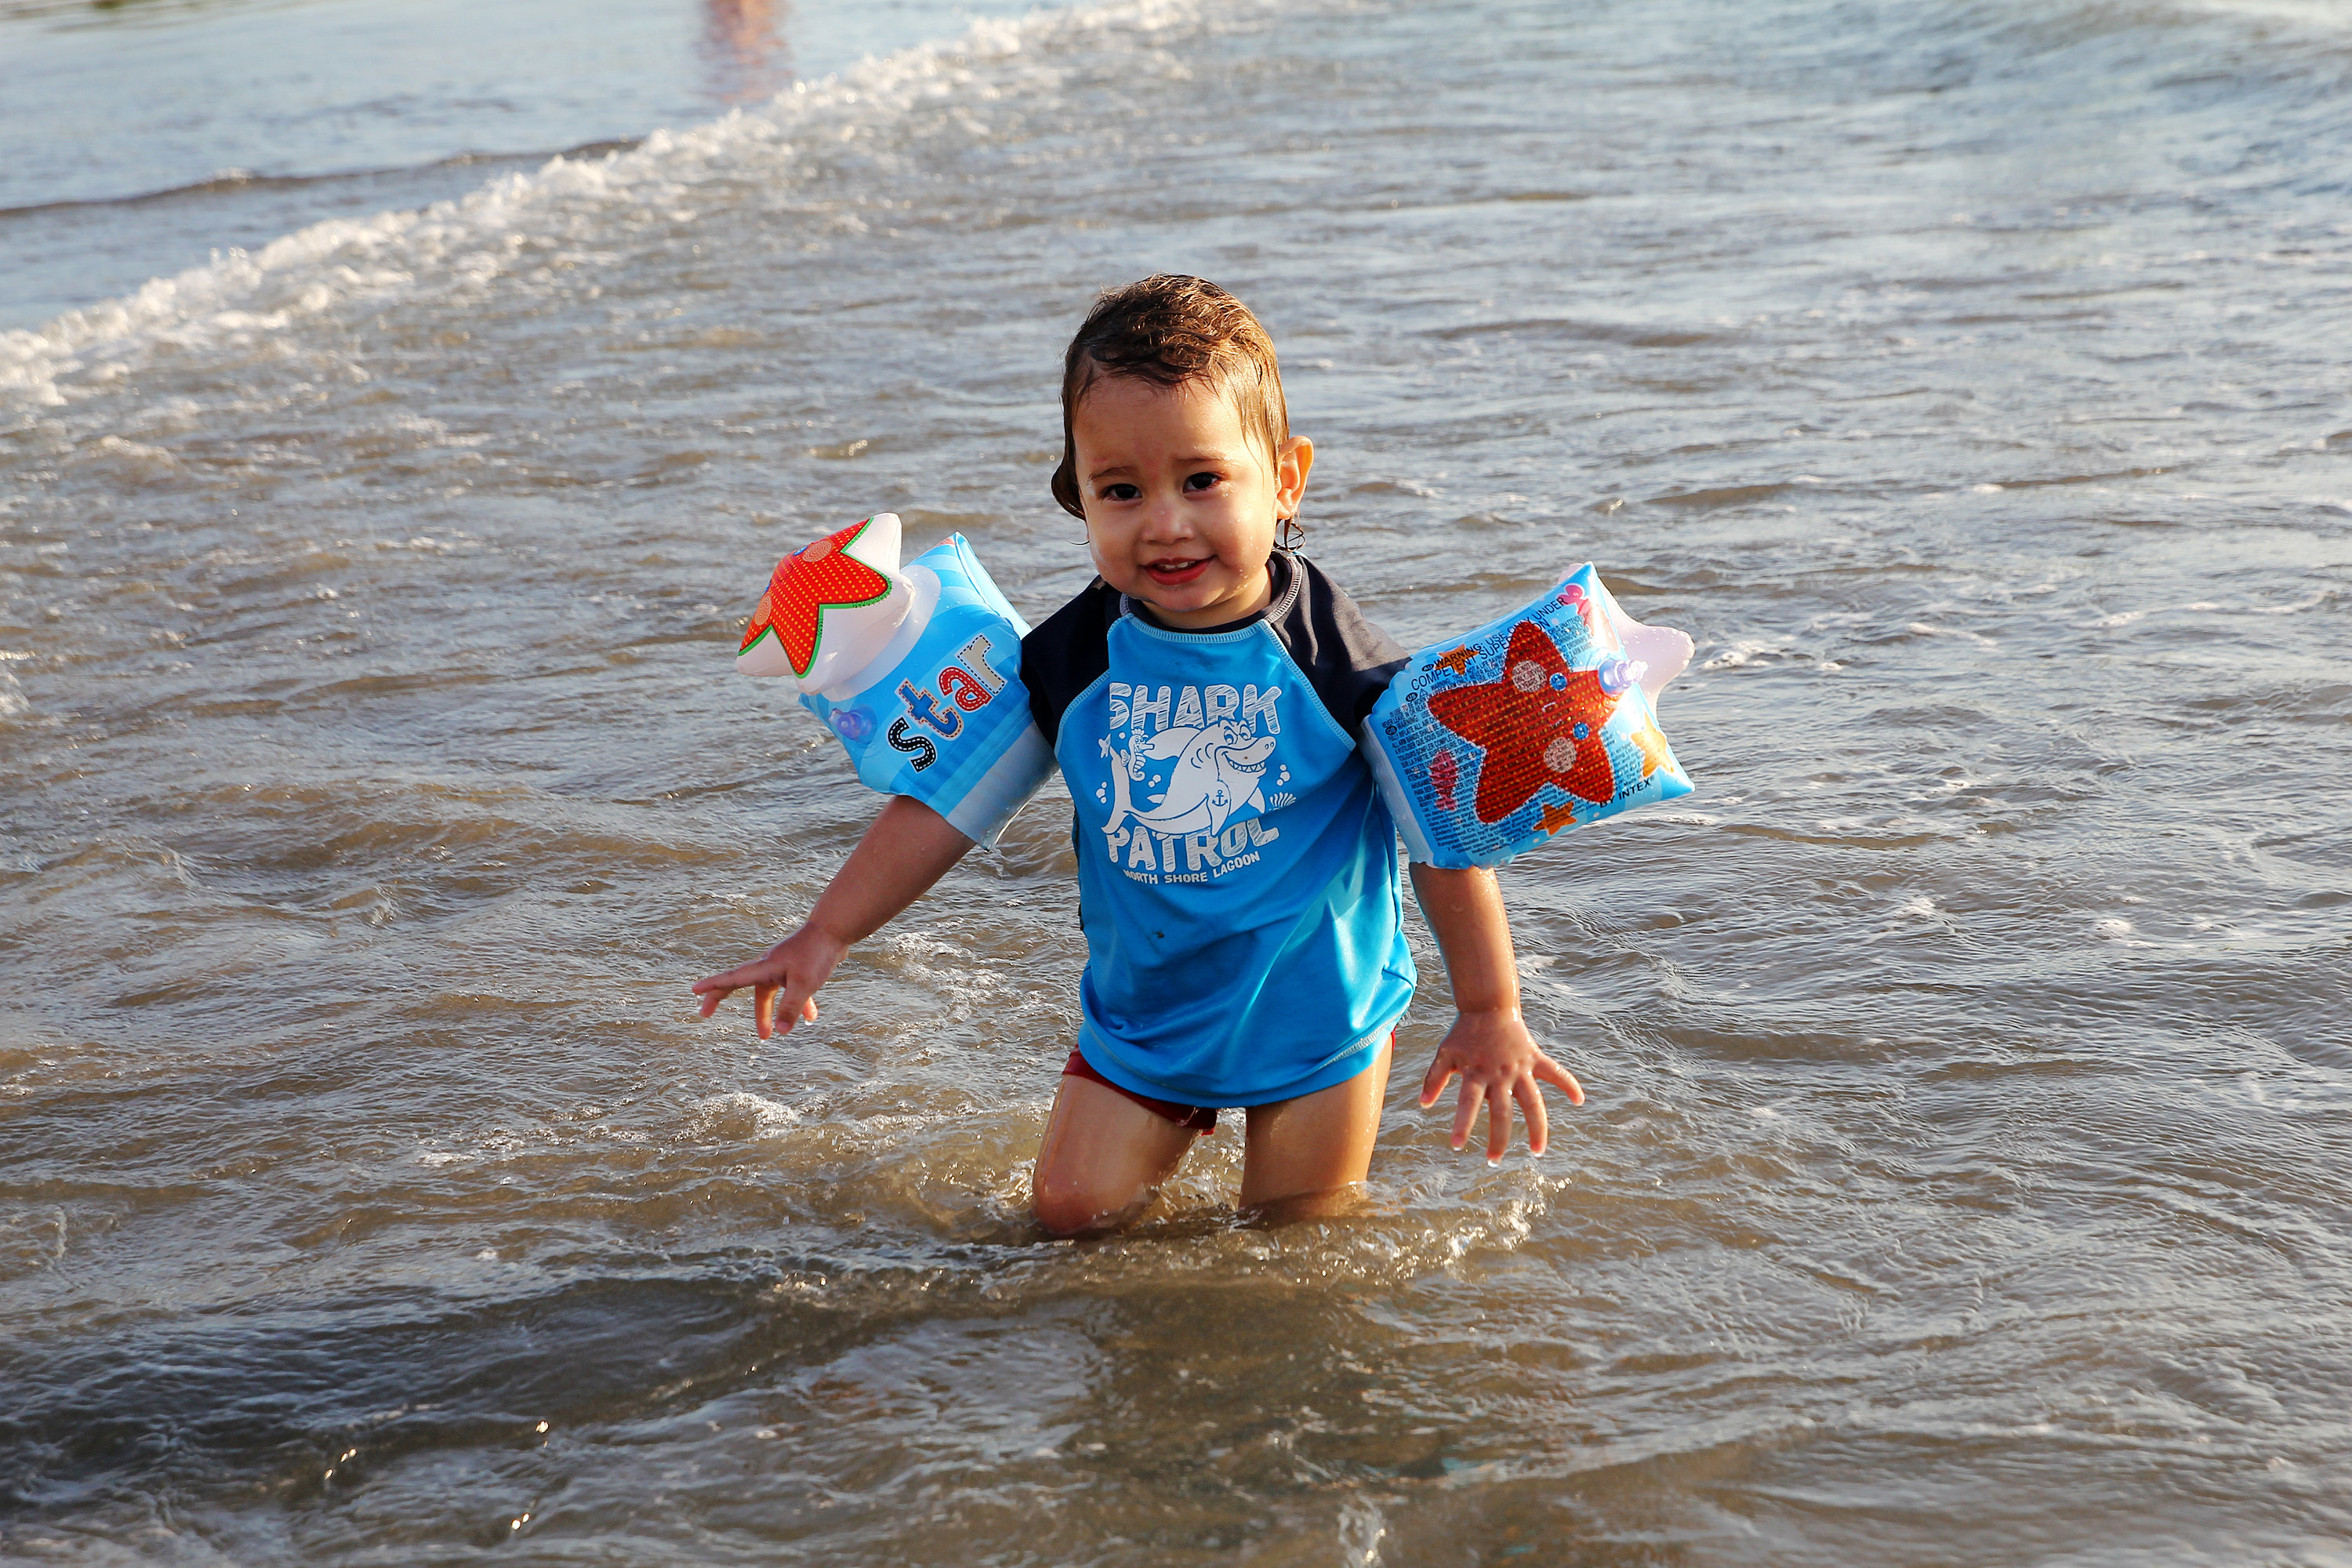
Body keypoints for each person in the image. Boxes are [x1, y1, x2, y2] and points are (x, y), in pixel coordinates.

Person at [693, 274, 1582, 1236]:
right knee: (1072, 1216)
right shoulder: (1071, 658)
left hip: (1319, 1014)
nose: (1163, 521)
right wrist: (826, 932)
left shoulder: (1336, 663)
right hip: (1145, 1018)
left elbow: (1444, 835)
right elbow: (945, 801)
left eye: (1202, 480)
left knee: (1299, 1239)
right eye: (1122, 490)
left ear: (1285, 478)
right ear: (1077, 496)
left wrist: (1491, 1006)